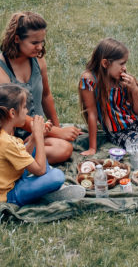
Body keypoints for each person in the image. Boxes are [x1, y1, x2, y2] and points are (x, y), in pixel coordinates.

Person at [0, 12, 81, 164]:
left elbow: (46, 96)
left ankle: (20, 160)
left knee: (64, 147)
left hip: (39, 130)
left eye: (42, 42)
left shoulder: (38, 59)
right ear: (17, 39)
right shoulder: (2, 69)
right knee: (63, 149)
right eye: (34, 42)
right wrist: (58, 132)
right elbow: (14, 115)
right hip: (12, 134)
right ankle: (13, 161)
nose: (40, 47)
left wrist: (56, 128)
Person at [0, 84, 85, 206]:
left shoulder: (6, 134)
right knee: (57, 176)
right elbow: (40, 170)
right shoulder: (6, 142)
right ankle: (47, 191)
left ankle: (43, 188)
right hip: (10, 194)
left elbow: (22, 152)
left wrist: (34, 136)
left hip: (13, 177)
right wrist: (40, 136)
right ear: (12, 113)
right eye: (24, 107)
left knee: (33, 149)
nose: (27, 111)